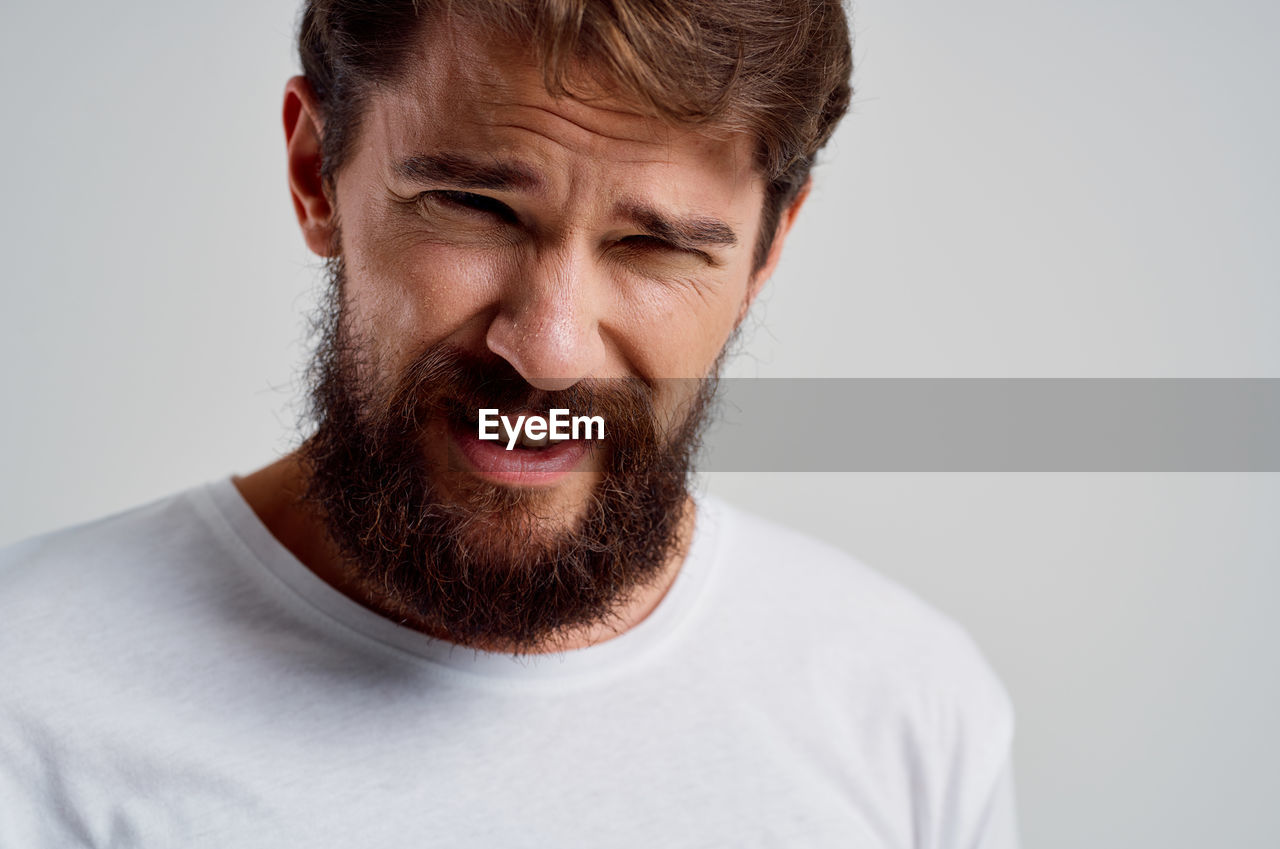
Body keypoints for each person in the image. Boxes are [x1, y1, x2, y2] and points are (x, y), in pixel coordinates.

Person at [0, 1, 1018, 845]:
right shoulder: (29, 694)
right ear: (317, 174)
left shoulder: (905, 707)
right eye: (474, 208)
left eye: (654, 247)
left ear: (764, 252)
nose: (549, 349)